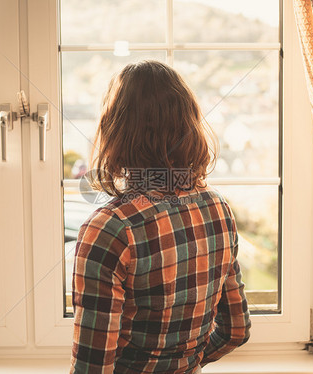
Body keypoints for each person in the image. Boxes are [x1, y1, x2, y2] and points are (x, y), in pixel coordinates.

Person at [71, 60, 251, 374]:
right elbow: (236, 329)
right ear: (189, 124)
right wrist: (187, 364)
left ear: (115, 132)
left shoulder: (109, 230)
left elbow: (92, 368)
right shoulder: (218, 209)